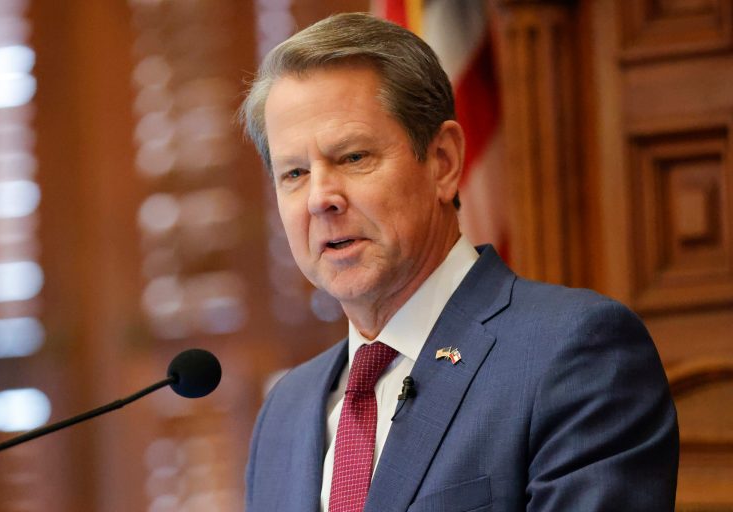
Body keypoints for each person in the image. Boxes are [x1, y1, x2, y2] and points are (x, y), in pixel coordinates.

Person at [239, 12, 678, 512]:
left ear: (443, 162)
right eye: (294, 173)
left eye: (354, 157)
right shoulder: (285, 411)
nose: (321, 198)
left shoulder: (575, 354)